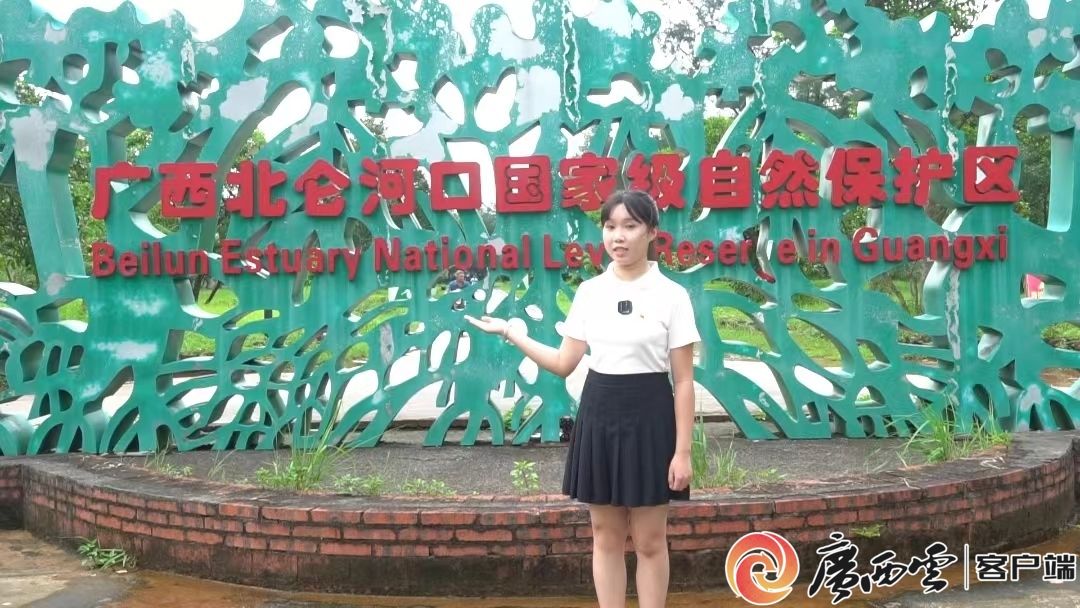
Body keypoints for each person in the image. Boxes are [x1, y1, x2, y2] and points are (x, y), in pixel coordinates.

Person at [466, 190, 700, 608]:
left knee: (649, 540)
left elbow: (683, 381)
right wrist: (511, 332)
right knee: (605, 535)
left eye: (630, 226)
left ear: (652, 232)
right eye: (610, 226)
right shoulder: (591, 292)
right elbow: (564, 362)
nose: (618, 236)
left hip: (651, 417)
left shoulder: (672, 295)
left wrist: (682, 453)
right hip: (600, 413)